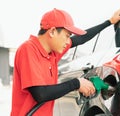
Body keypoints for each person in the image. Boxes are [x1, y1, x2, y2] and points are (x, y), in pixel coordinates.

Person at [11, 8, 120, 116]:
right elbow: (40, 94)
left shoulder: (52, 54)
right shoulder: (28, 49)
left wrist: (109, 22)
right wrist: (77, 83)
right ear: (52, 32)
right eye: (67, 36)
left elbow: (82, 38)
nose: (69, 41)